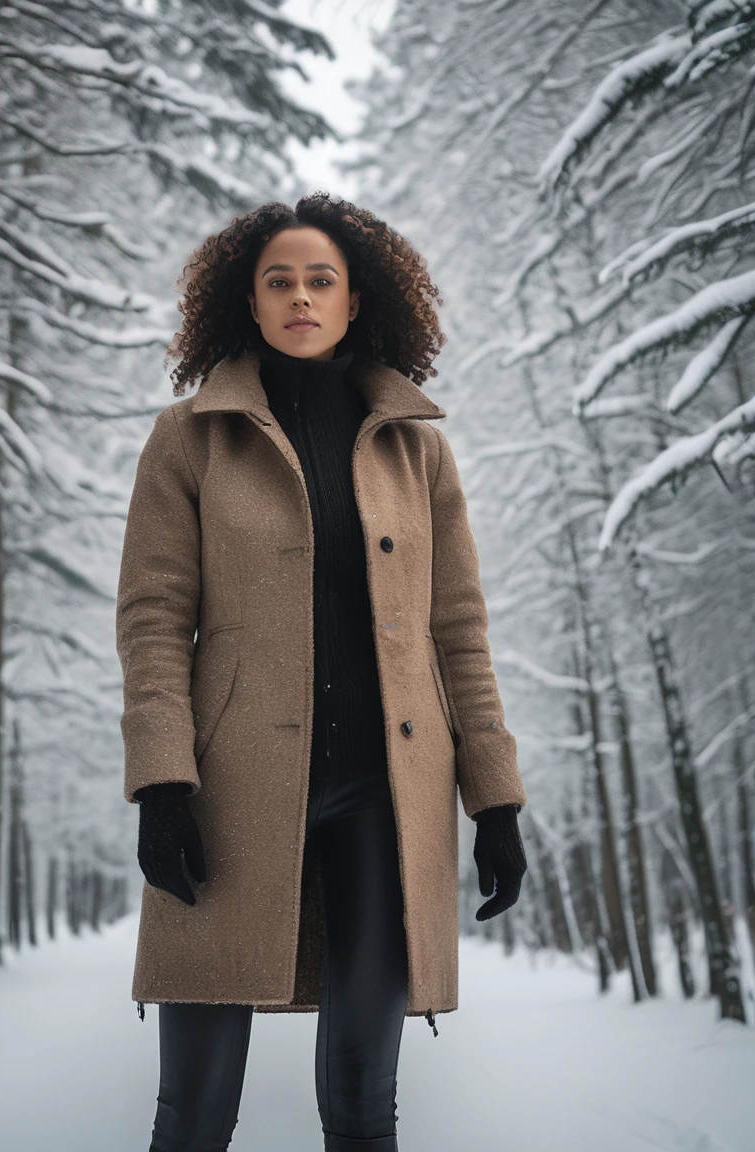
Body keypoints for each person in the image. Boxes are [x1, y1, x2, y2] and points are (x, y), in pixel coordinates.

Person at [115, 192, 530, 1152]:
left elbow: (458, 631)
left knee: (361, 1106)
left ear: (356, 302)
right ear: (247, 304)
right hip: (227, 796)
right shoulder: (189, 438)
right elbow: (152, 621)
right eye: (279, 281)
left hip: (386, 803)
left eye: (321, 280)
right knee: (193, 1112)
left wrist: (495, 803)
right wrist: (162, 784)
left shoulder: (416, 448)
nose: (300, 296)